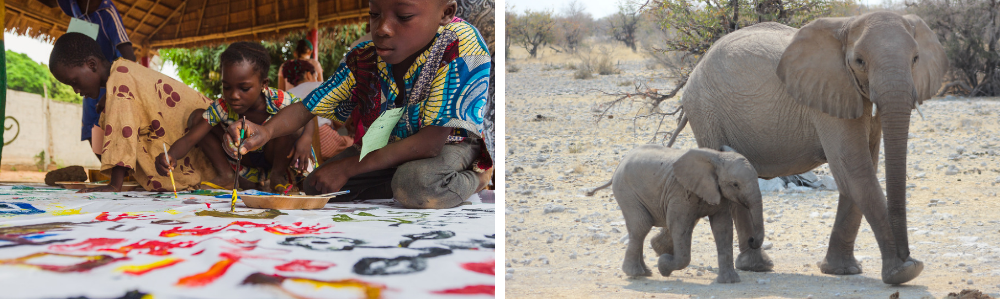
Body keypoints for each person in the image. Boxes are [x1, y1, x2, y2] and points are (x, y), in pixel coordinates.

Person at [226, 0, 493, 209]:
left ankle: (478, 178)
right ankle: (400, 181)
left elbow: (430, 144)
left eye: (403, 17)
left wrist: (350, 167)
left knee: (417, 185)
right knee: (316, 185)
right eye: (375, 14)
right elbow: (308, 107)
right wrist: (266, 131)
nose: (382, 29)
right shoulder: (364, 57)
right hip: (390, 146)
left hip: (450, 144)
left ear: (445, 13)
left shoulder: (461, 44)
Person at [48, 32, 216, 192]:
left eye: (74, 81)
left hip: (218, 137)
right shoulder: (121, 73)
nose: (76, 90)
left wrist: (114, 185)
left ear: (91, 64)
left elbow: (124, 131)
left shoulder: (120, 80)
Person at [156, 42, 315, 192]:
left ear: (263, 84)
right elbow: (190, 139)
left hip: (276, 156)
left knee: (290, 121)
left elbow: (306, 111)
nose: (234, 95)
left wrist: (306, 139)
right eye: (226, 87)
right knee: (198, 117)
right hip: (244, 159)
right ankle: (227, 176)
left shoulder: (278, 100)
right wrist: (171, 155)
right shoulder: (222, 107)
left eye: (244, 88)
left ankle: (277, 176)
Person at [39, 0, 137, 161]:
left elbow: (130, 58)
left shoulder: (107, 12)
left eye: (73, 84)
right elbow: (50, 3)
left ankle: (125, 172)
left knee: (119, 126)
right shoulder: (72, 4)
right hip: (88, 80)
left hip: (116, 79)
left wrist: (112, 92)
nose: (74, 90)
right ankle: (111, 169)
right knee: (91, 127)